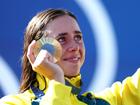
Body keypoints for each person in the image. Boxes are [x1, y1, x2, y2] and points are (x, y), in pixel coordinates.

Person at [0, 8, 140, 105]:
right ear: (37, 50)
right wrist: (56, 78)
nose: (75, 46)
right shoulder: (12, 103)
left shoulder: (107, 102)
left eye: (78, 37)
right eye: (62, 39)